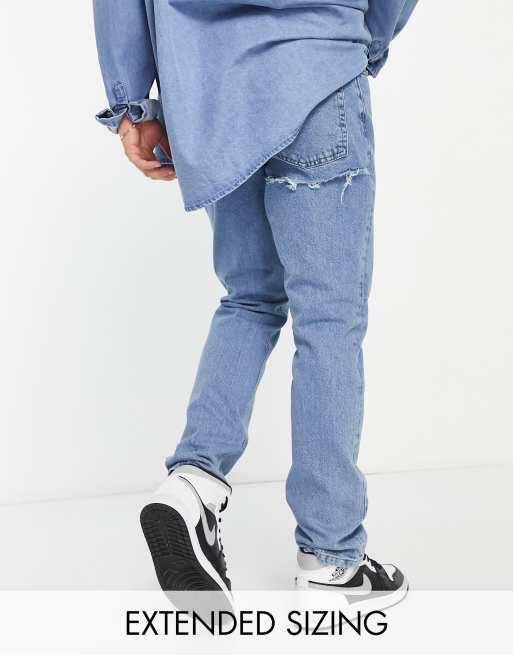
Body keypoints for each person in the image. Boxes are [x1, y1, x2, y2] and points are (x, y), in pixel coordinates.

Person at [93, 0, 418, 615]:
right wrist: (364, 41)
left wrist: (131, 101)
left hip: (207, 89)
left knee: (249, 297)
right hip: (317, 66)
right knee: (329, 320)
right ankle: (331, 556)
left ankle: (193, 484)